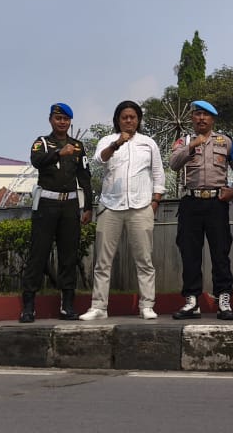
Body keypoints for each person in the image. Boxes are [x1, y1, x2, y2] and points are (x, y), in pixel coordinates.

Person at [81, 100, 165, 321]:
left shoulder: (148, 143)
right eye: (124, 117)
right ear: (118, 120)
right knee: (103, 261)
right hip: (111, 206)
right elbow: (99, 159)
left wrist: (155, 201)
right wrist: (118, 143)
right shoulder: (107, 141)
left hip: (140, 207)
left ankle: (147, 305)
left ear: (138, 120)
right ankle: (98, 306)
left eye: (133, 117)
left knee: (144, 259)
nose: (129, 121)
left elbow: (158, 173)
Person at [19, 102, 94, 323]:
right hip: (46, 204)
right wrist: (59, 153)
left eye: (66, 119)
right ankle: (28, 306)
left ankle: (67, 304)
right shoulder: (41, 143)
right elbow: (36, 162)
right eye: (58, 118)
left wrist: (88, 206)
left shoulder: (78, 146)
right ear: (51, 119)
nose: (62, 122)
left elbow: (85, 177)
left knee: (69, 256)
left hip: (70, 205)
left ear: (70, 121)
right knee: (38, 254)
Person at [169, 99, 233, 320]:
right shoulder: (183, 141)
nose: (201, 118)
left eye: (205, 115)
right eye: (197, 115)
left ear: (212, 119)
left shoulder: (225, 141)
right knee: (190, 253)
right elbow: (173, 164)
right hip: (191, 202)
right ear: (192, 118)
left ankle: (224, 299)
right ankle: (191, 300)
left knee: (220, 252)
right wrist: (190, 147)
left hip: (217, 203)